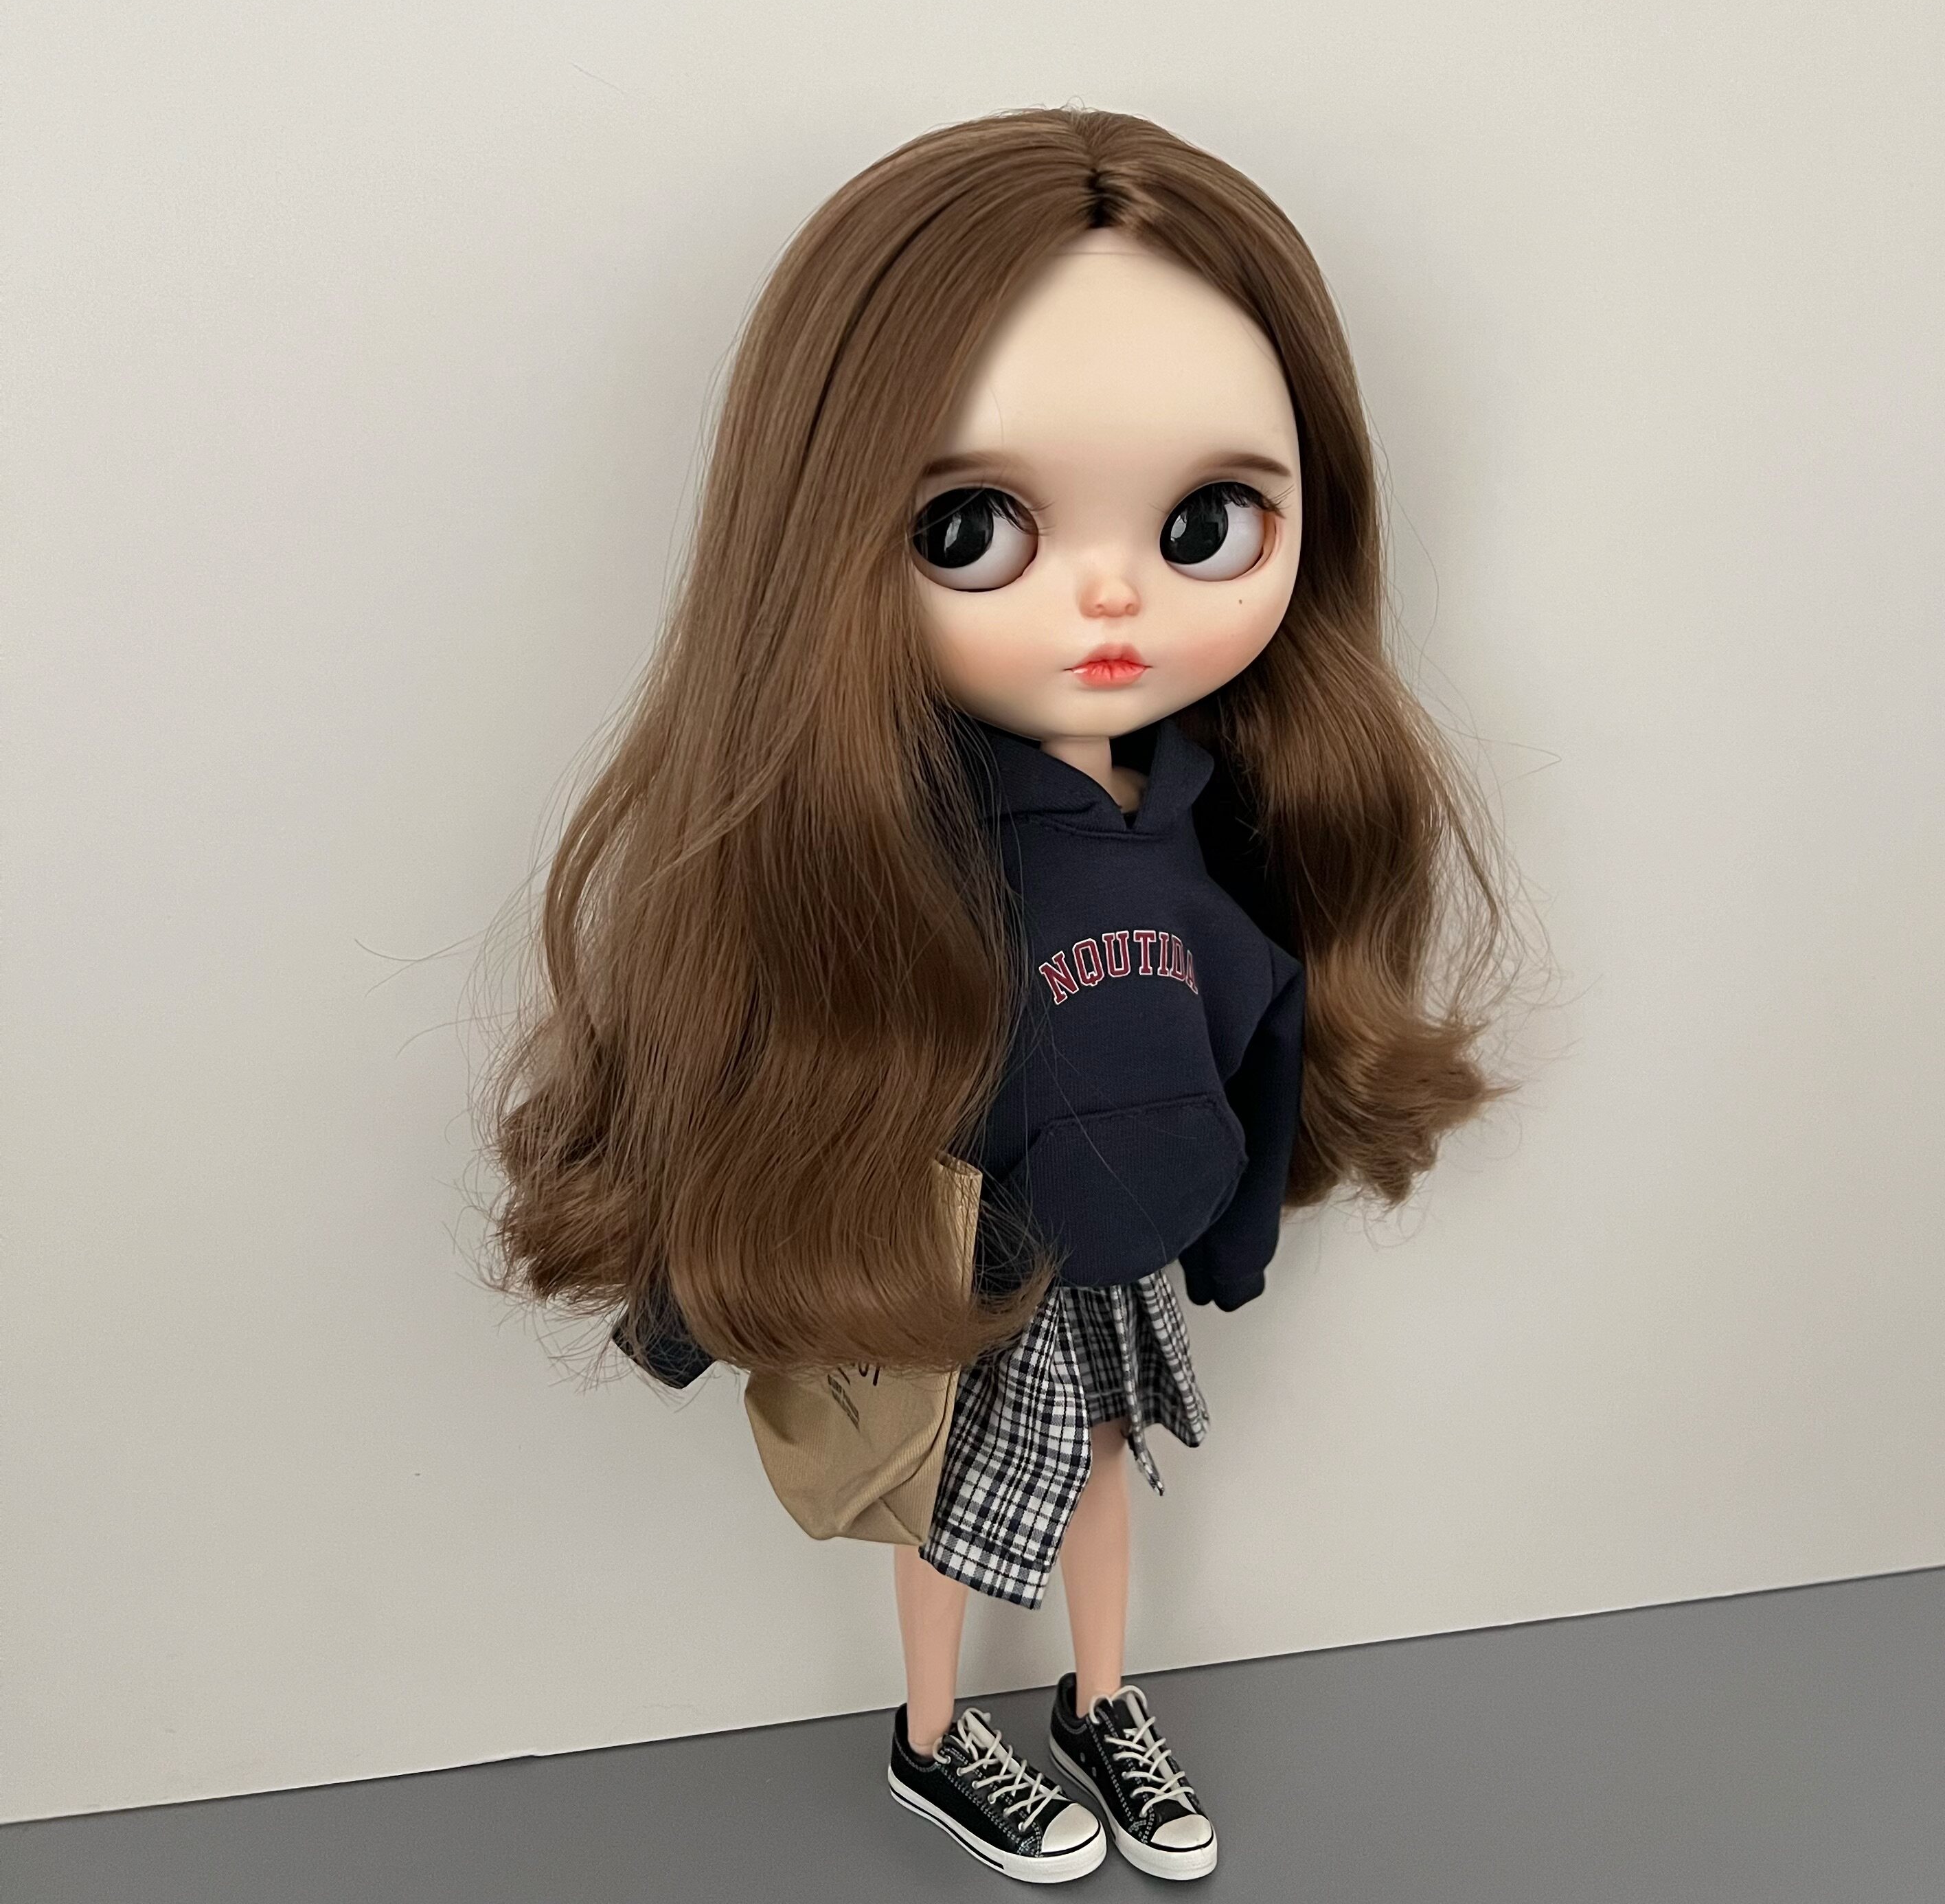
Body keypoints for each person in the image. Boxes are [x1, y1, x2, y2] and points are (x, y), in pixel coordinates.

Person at [480, 106, 1524, 1884]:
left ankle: (1102, 1701)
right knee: (952, 1507)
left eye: (1205, 521)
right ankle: (936, 1733)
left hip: (1120, 1246)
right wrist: (698, 1290)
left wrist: (1236, 1237)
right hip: (961, 1255)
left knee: (1108, 1468)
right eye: (974, 527)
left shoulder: (1201, 826)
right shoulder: (904, 846)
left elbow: (1262, 1021)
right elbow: (765, 1053)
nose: (1111, 594)